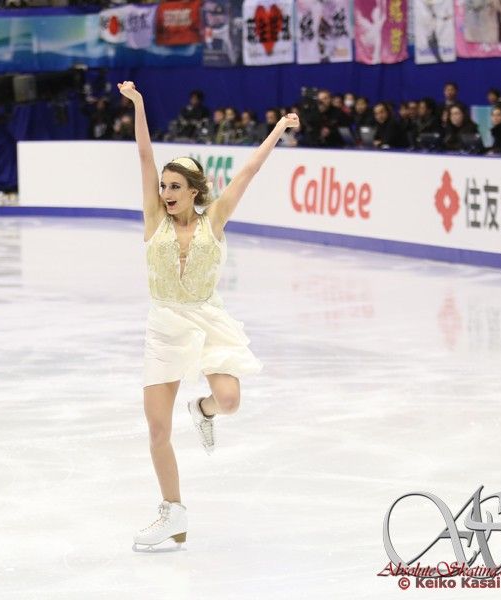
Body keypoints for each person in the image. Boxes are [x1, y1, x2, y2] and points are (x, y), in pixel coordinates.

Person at [117, 80, 297, 551]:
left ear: (194, 191)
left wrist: (278, 127)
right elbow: (143, 156)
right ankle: (172, 512)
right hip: (164, 326)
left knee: (230, 399)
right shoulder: (153, 219)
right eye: (163, 186)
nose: (165, 191)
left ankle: (204, 410)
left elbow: (249, 172)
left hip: (206, 319)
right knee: (157, 428)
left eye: (175, 186)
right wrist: (139, 103)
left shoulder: (213, 219)